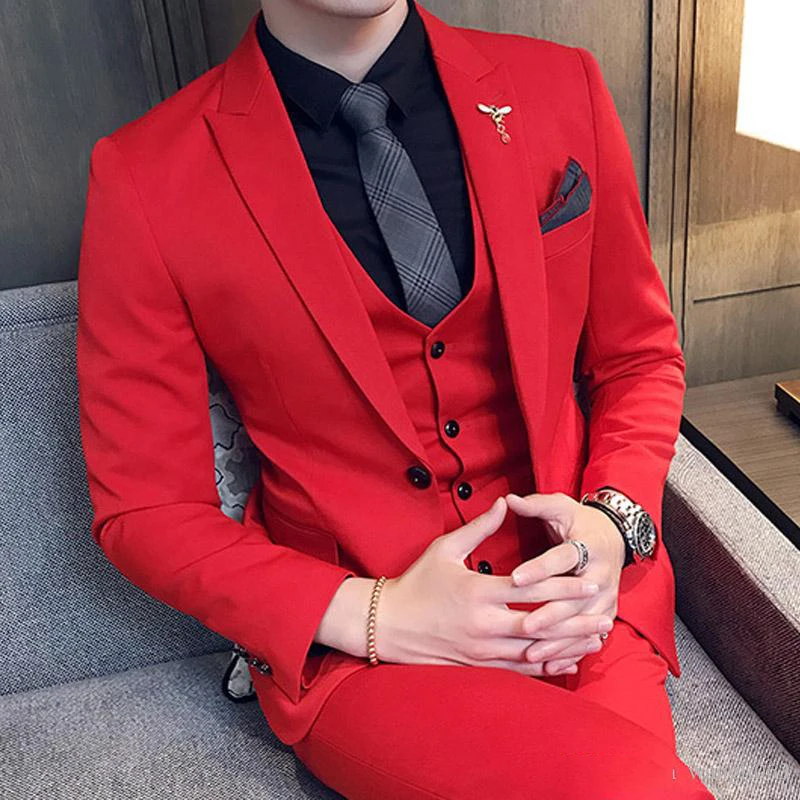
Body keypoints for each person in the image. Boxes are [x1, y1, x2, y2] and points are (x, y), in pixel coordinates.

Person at [75, 0, 716, 797]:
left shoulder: (561, 86)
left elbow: (639, 357)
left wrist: (613, 525)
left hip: (580, 601)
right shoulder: (145, 175)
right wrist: (376, 615)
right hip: (368, 654)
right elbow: (145, 510)